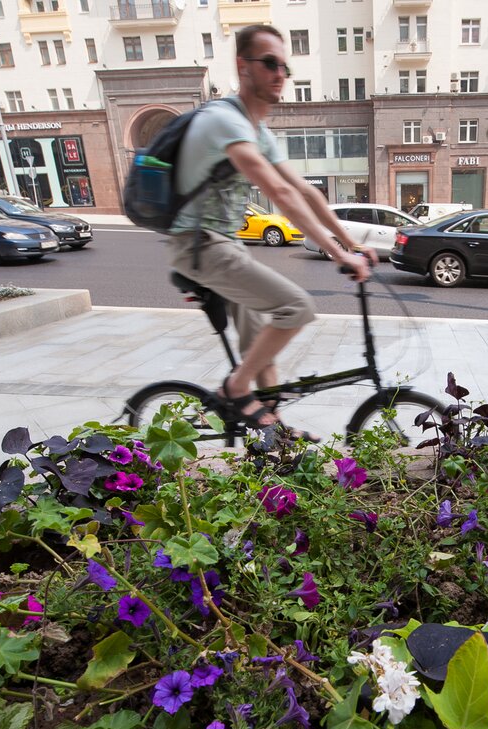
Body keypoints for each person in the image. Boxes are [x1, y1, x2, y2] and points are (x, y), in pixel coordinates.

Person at [168, 24, 374, 436]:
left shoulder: (257, 131)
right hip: (199, 246)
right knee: (296, 307)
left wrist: (352, 243)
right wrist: (338, 256)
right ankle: (236, 387)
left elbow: (305, 190)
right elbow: (280, 193)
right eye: (269, 63)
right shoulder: (224, 120)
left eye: (284, 66)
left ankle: (272, 433)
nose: (280, 73)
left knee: (258, 343)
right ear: (242, 66)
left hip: (224, 245)